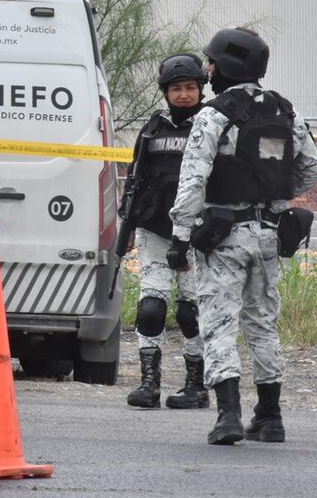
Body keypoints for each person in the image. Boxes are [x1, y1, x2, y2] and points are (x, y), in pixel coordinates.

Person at [166, 27, 317, 445]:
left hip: (222, 236)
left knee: (218, 322)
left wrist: (180, 236)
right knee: (263, 323)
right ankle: (270, 418)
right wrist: (271, 195)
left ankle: (229, 417)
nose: (208, 70)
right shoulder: (286, 111)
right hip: (270, 234)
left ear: (226, 65)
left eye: (211, 63)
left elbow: (193, 179)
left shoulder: (214, 114)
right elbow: (313, 170)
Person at [122, 53, 210, 410]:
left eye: (190, 87)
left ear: (201, 88)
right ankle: (149, 384)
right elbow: (134, 177)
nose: (184, 94)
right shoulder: (153, 128)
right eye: (177, 89)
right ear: (165, 92)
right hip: (154, 229)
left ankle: (196, 385)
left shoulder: (209, 126)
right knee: (150, 309)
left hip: (197, 234)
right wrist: (125, 225)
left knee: (190, 312)